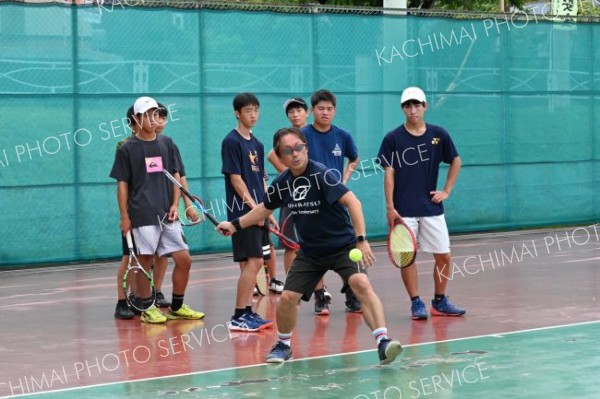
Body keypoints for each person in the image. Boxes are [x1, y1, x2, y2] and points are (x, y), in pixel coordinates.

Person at [217, 127, 402, 365]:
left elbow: (353, 202)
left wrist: (362, 240)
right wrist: (235, 225)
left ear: (306, 147)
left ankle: (383, 342)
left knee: (360, 283)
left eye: (298, 148)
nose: (295, 154)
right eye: (287, 151)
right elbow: (264, 208)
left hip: (343, 246)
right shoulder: (282, 183)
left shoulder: (322, 175)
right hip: (310, 253)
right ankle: (283, 345)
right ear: (280, 156)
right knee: (286, 298)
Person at [110, 96, 204, 324]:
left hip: (167, 214)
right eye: (146, 115)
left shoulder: (167, 144)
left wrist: (176, 205)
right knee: (144, 263)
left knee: (184, 260)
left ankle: (177, 306)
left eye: (155, 114)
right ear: (136, 119)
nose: (152, 119)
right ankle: (146, 308)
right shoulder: (127, 149)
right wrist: (124, 216)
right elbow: (122, 185)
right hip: (141, 214)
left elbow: (174, 177)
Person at [377, 86, 465, 320]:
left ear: (425, 106)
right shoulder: (393, 138)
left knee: (444, 256)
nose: (413, 109)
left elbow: (456, 161)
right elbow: (389, 173)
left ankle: (440, 301)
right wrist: (389, 207)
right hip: (403, 210)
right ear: (403, 109)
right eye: (408, 105)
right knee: (407, 257)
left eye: (417, 105)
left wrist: (446, 191)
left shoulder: (439, 134)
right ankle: (416, 302)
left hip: (431, 208)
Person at [221, 92, 278, 332]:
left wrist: (268, 209)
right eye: (247, 111)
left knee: (251, 263)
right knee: (254, 261)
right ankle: (238, 316)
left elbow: (260, 180)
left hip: (258, 211)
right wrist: (254, 210)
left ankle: (246, 312)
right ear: (237, 113)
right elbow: (236, 180)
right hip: (242, 213)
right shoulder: (232, 141)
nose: (253, 115)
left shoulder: (258, 144)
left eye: (256, 110)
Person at [301, 89, 361, 315]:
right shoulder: (302, 134)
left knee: (347, 246)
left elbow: (354, 157)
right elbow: (282, 155)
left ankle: (352, 293)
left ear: (334, 111)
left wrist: (344, 180)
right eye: (320, 109)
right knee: (313, 249)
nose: (325, 113)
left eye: (329, 109)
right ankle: (320, 298)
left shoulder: (343, 135)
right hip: (309, 202)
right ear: (312, 111)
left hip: (336, 201)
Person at [266, 98, 310, 276]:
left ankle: (320, 289)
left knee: (318, 243)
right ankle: (292, 286)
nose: (295, 114)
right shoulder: (286, 138)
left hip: (315, 197)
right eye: (291, 112)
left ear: (307, 112)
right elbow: (271, 155)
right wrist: (292, 174)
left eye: (298, 110)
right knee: (291, 244)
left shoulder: (313, 134)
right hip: (291, 198)